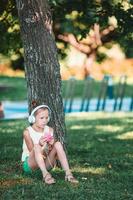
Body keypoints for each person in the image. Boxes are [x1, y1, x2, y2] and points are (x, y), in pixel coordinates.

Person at [21, 104, 79, 185]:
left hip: (46, 162)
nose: (45, 120)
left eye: (46, 118)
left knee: (58, 144)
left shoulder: (50, 130)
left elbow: (47, 152)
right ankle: (45, 175)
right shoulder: (27, 132)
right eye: (41, 118)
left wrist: (51, 145)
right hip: (31, 165)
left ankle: (68, 173)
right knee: (37, 146)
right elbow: (32, 152)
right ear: (33, 118)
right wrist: (40, 144)